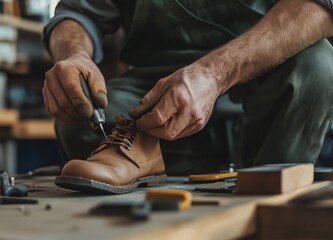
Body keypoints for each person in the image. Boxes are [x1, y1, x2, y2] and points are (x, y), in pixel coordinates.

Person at [42, 0, 333, 178]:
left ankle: (270, 191)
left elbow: (318, 8)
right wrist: (74, 54)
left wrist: (214, 73)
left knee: (317, 67)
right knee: (81, 115)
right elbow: (77, 14)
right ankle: (151, 173)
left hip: (264, 69)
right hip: (155, 84)